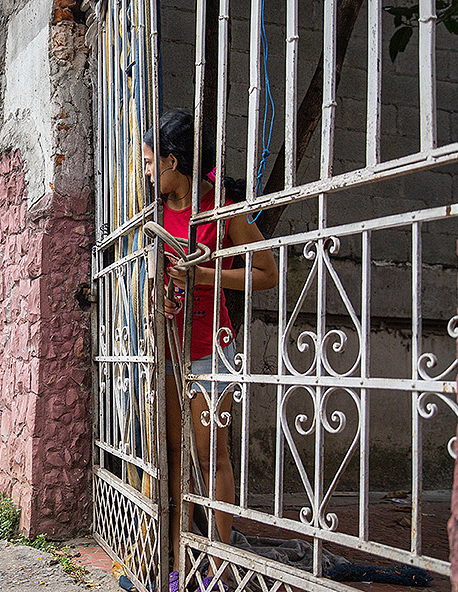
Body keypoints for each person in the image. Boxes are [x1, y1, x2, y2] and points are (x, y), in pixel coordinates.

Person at [141, 108, 278, 578]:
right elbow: (151, 279)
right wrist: (162, 298)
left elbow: (268, 273)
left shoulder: (220, 208)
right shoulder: (155, 213)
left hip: (210, 348)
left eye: (150, 162)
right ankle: (177, 566)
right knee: (173, 461)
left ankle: (223, 564)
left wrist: (205, 277)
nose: (146, 172)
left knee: (211, 457)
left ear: (173, 162)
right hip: (171, 350)